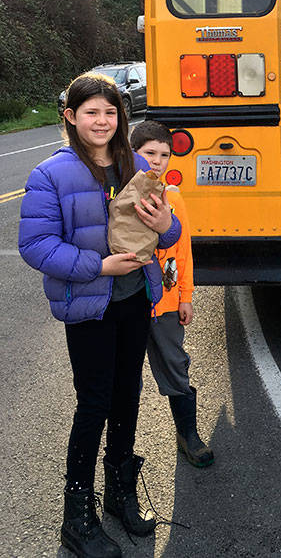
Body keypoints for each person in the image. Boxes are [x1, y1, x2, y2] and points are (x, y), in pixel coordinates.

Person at [19, 73, 181, 558]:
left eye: (110, 112)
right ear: (71, 117)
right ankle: (78, 514)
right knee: (94, 403)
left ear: (121, 116)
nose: (102, 121)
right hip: (90, 306)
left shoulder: (135, 164)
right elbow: (35, 245)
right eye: (91, 112)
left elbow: (166, 232)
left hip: (135, 298)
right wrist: (98, 266)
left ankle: (120, 491)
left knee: (128, 394)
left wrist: (165, 224)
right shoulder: (52, 174)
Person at [130, 120, 214, 468]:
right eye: (150, 153)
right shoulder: (121, 194)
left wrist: (186, 296)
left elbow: (183, 252)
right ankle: (123, 445)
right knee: (124, 373)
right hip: (129, 300)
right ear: (133, 153)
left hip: (165, 301)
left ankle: (187, 434)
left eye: (165, 154)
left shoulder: (174, 197)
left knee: (176, 364)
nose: (158, 160)